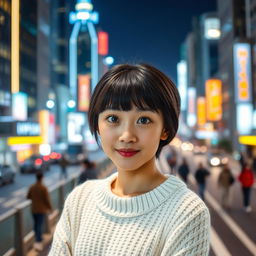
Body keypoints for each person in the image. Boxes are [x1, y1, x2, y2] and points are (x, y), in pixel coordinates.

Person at [49, 64, 210, 255]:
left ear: (165, 130)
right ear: (98, 125)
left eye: (143, 120)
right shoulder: (80, 199)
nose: (126, 136)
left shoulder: (187, 212)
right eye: (112, 119)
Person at [27, 172, 52, 251]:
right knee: (39, 225)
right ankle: (38, 242)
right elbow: (46, 200)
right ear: (42, 178)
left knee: (36, 225)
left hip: (33, 209)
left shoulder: (32, 187)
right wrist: (50, 208)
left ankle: (38, 239)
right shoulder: (43, 188)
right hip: (41, 210)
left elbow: (28, 197)